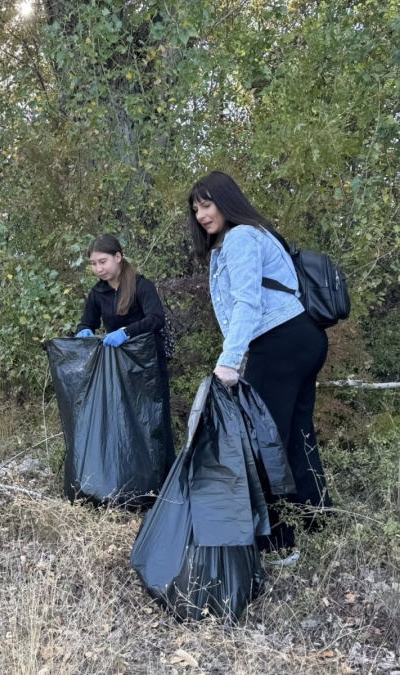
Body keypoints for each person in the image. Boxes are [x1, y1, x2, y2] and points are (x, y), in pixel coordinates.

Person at [187, 171, 331, 565]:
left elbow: (247, 304)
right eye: (196, 208)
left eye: (207, 204)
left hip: (280, 344)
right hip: (303, 339)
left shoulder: (240, 238)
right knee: (296, 434)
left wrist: (229, 362)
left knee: (263, 442)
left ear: (226, 201)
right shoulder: (256, 233)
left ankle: (279, 544)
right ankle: (319, 520)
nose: (201, 214)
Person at [74, 234, 175, 472]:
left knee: (154, 418)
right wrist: (84, 331)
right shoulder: (98, 293)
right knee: (124, 418)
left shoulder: (141, 285)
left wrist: (126, 332)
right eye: (93, 263)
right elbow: (86, 322)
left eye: (103, 261)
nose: (98, 268)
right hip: (118, 366)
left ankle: (163, 476)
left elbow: (156, 319)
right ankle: (129, 476)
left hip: (148, 363)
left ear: (118, 257)